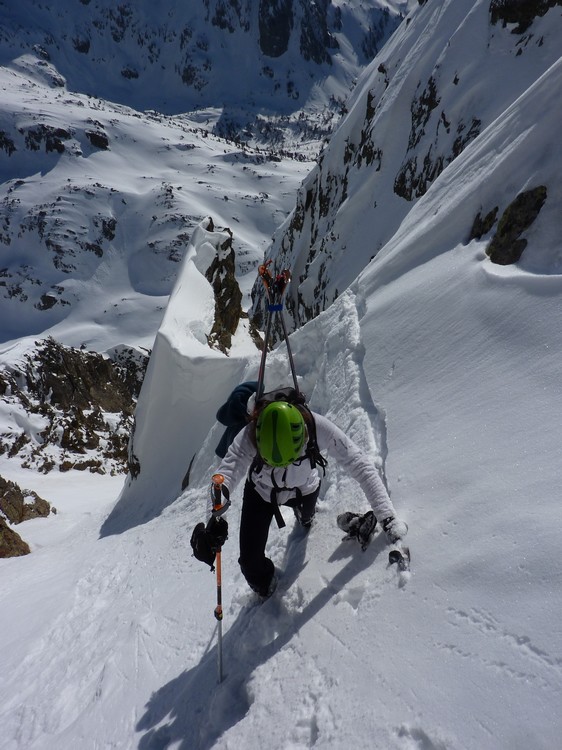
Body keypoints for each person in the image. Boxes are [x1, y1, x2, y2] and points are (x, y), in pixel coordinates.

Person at [191, 395, 408, 598]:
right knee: (249, 563)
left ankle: (305, 518)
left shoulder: (318, 427)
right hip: (261, 492)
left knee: (306, 518)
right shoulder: (251, 433)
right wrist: (215, 518)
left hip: (303, 488)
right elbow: (224, 474)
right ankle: (266, 585)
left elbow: (360, 465)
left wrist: (387, 518)